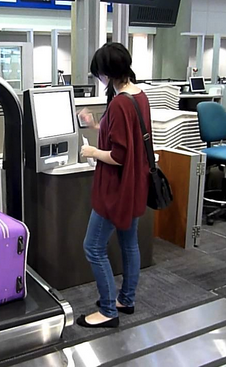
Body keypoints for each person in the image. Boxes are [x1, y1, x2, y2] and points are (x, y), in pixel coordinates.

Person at [76, 43, 152, 329]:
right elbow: (128, 137)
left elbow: (119, 155)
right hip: (133, 185)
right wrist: (96, 125)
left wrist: (92, 152)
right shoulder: (138, 96)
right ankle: (126, 299)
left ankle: (108, 310)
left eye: (99, 73)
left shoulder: (119, 103)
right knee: (128, 242)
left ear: (106, 72)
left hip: (115, 188)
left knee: (93, 247)